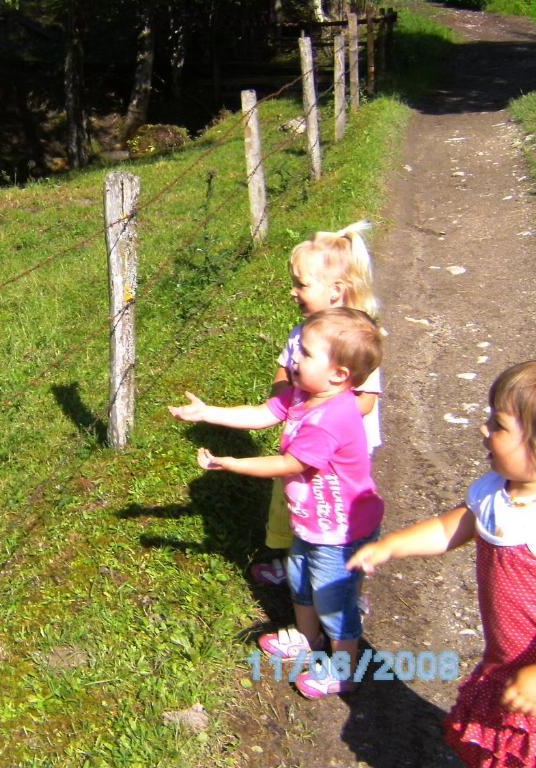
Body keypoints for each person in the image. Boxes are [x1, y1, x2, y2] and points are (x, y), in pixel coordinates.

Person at [169, 307, 384, 698]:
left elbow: (288, 464)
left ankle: (345, 667)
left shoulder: (333, 418)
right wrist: (207, 413)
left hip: (340, 534)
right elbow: (265, 412)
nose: (294, 359)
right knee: (301, 584)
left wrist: (232, 463)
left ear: (339, 374)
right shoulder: (304, 396)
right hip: (311, 523)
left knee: (335, 603)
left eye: (305, 353)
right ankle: (307, 638)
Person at [348, 361, 536, 766]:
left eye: (499, 425)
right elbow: (451, 528)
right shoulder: (494, 492)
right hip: (504, 662)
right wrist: (392, 546)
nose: (483, 429)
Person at [252, 222, 382, 588]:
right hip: (303, 439)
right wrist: (285, 396)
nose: (294, 292)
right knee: (295, 500)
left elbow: (366, 403)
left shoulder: (353, 339)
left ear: (336, 291)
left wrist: (310, 407)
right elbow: (282, 373)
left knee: (334, 512)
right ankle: (296, 558)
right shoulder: (304, 334)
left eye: (302, 284)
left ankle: (343, 584)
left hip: (338, 452)